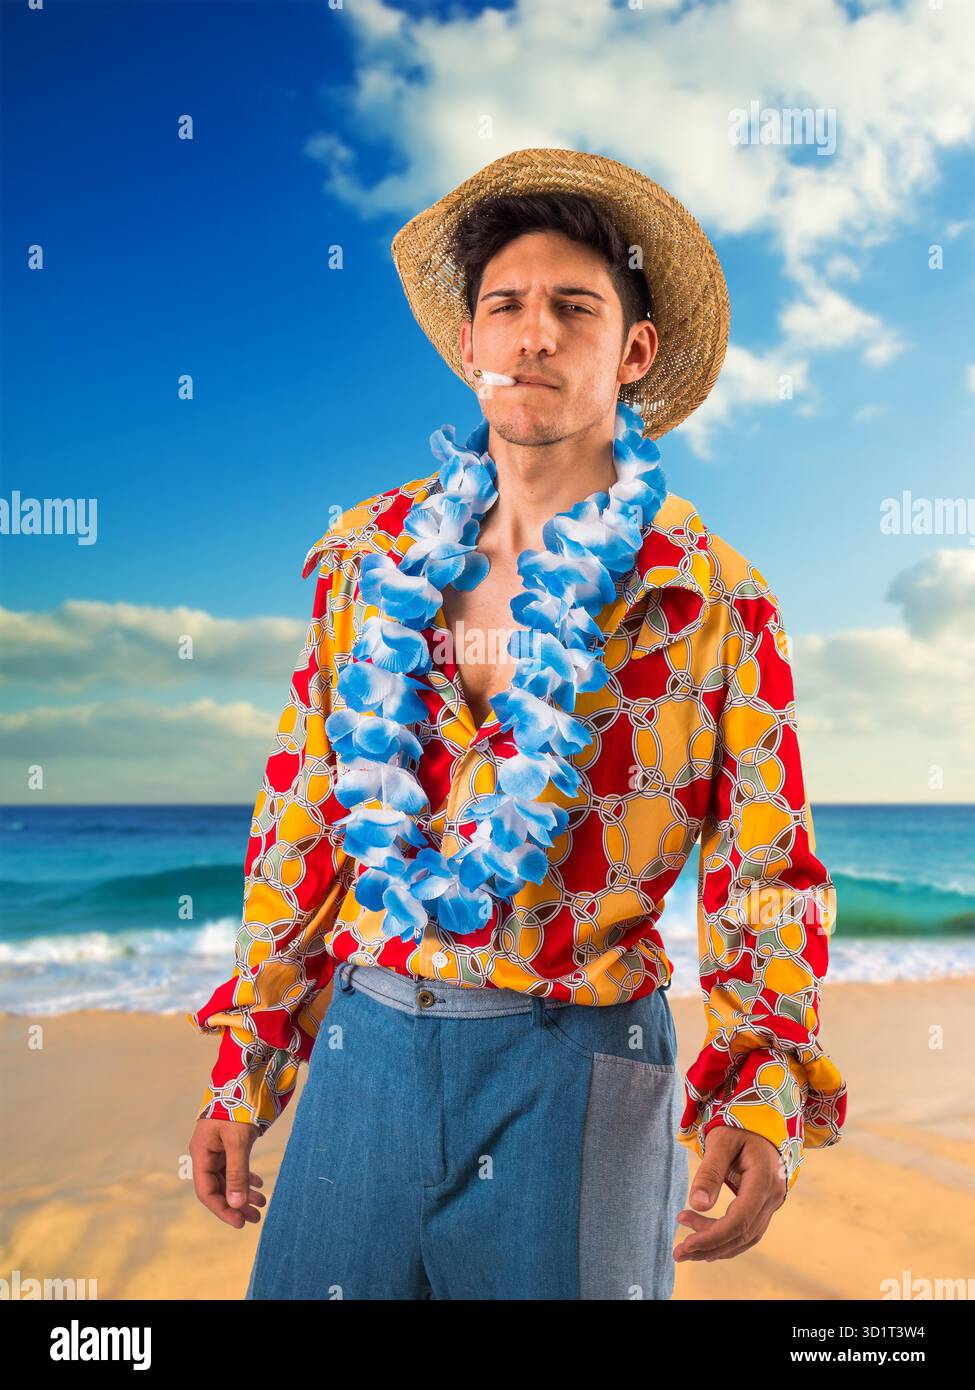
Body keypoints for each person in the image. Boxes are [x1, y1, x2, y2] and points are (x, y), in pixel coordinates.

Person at [185, 148, 847, 1301]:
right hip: (367, 1046)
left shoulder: (714, 601)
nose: (534, 334)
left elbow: (765, 874)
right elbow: (299, 823)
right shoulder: (369, 561)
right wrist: (248, 1068)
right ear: (471, 346)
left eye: (573, 308)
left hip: (577, 1065)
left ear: (633, 352)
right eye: (507, 308)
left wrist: (761, 1081)